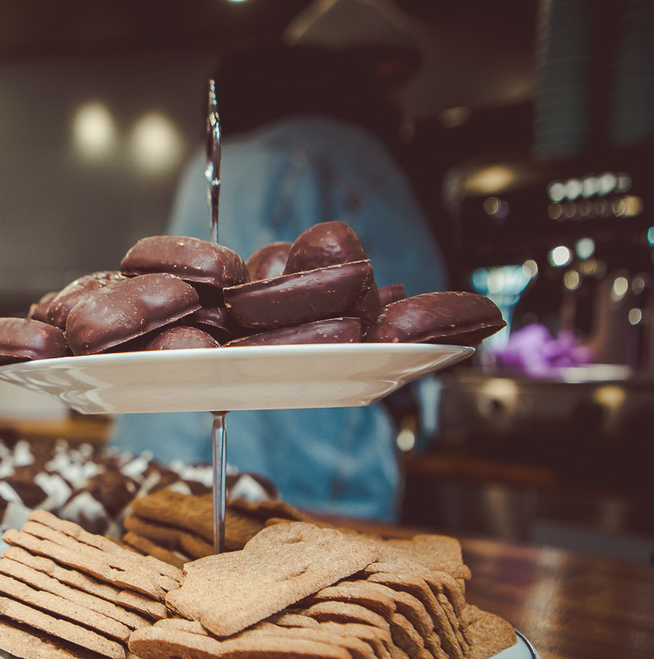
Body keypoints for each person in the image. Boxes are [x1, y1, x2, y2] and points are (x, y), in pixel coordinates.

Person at [108, 0, 447, 521]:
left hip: (158, 454)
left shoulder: (212, 157)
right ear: (364, 73)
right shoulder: (356, 155)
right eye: (394, 80)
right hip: (306, 473)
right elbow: (420, 309)